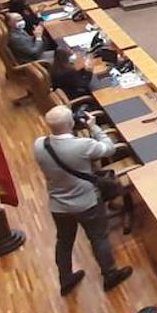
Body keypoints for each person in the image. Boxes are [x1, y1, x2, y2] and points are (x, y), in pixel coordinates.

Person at [33, 105, 133, 295]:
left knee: (64, 242)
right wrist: (94, 127)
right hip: (87, 203)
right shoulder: (82, 145)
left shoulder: (39, 145)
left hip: (58, 206)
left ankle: (65, 279)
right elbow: (109, 148)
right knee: (98, 238)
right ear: (71, 123)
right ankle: (110, 275)